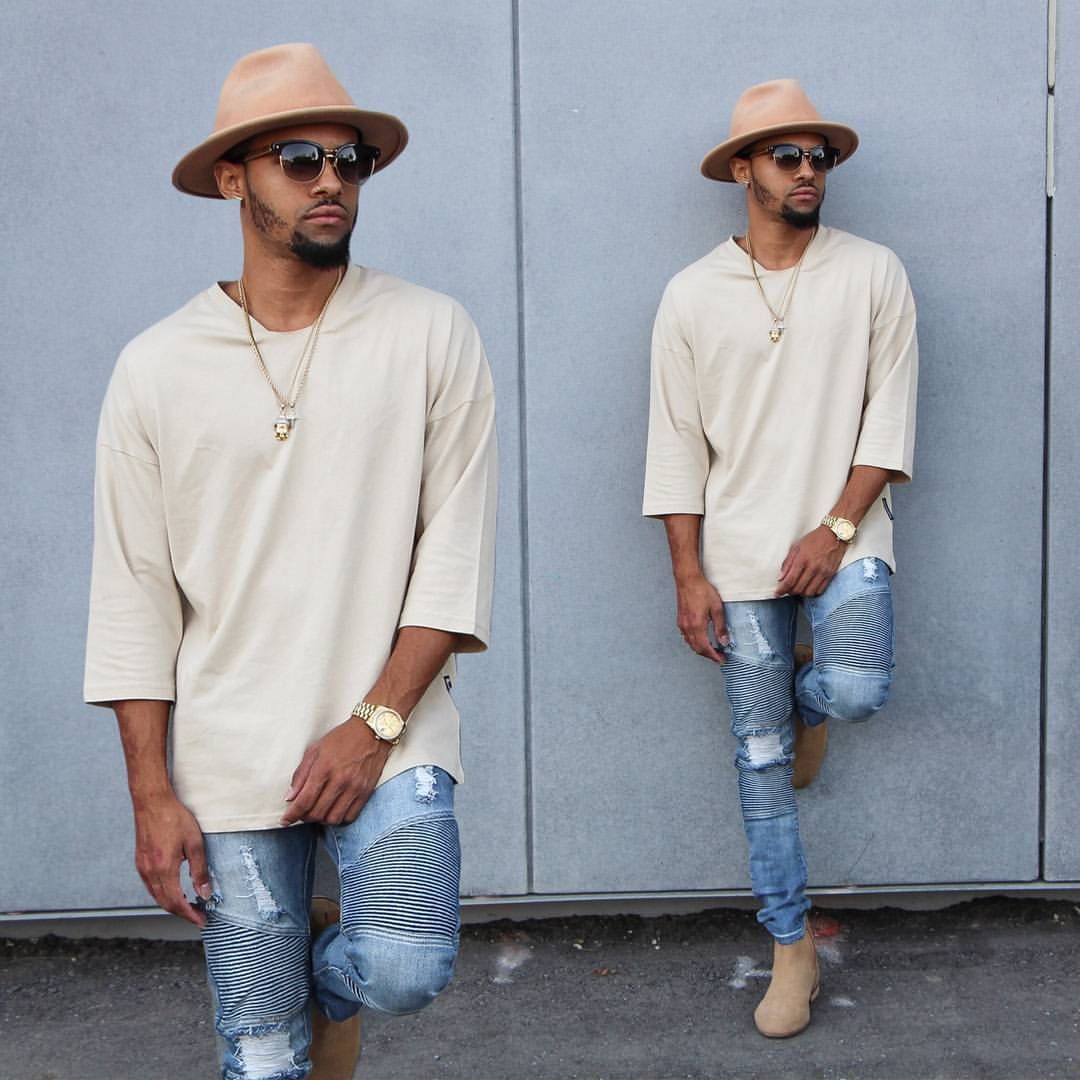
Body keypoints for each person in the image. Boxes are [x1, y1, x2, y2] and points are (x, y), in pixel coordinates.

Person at [84, 43, 497, 1079]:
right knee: (265, 1057)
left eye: (350, 160)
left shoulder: (431, 332)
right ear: (234, 178)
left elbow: (454, 554)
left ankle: (327, 972)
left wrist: (374, 724)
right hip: (229, 754)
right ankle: (287, 985)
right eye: (299, 159)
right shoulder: (155, 367)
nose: (331, 181)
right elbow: (134, 596)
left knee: (403, 966)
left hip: (391, 726)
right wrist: (151, 795)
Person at [643, 79, 917, 1038]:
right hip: (738, 556)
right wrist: (687, 575)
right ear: (743, 170)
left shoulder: (873, 271)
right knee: (759, 760)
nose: (808, 171)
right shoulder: (690, 295)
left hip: (847, 533)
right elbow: (676, 447)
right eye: (787, 156)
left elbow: (890, 420)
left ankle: (811, 693)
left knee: (858, 690)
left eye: (819, 157)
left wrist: (834, 528)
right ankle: (790, 941)